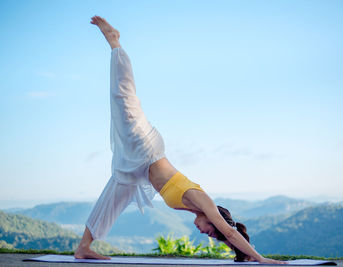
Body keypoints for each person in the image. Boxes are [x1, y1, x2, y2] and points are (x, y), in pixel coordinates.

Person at [74, 16, 285, 265]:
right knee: (125, 101)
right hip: (146, 149)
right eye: (209, 230)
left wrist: (242, 253)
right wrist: (261, 259)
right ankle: (115, 42)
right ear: (212, 218)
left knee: (114, 193)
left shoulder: (200, 209)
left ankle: (83, 247)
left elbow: (228, 233)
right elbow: (228, 230)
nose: (204, 233)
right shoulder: (203, 201)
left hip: (140, 168)